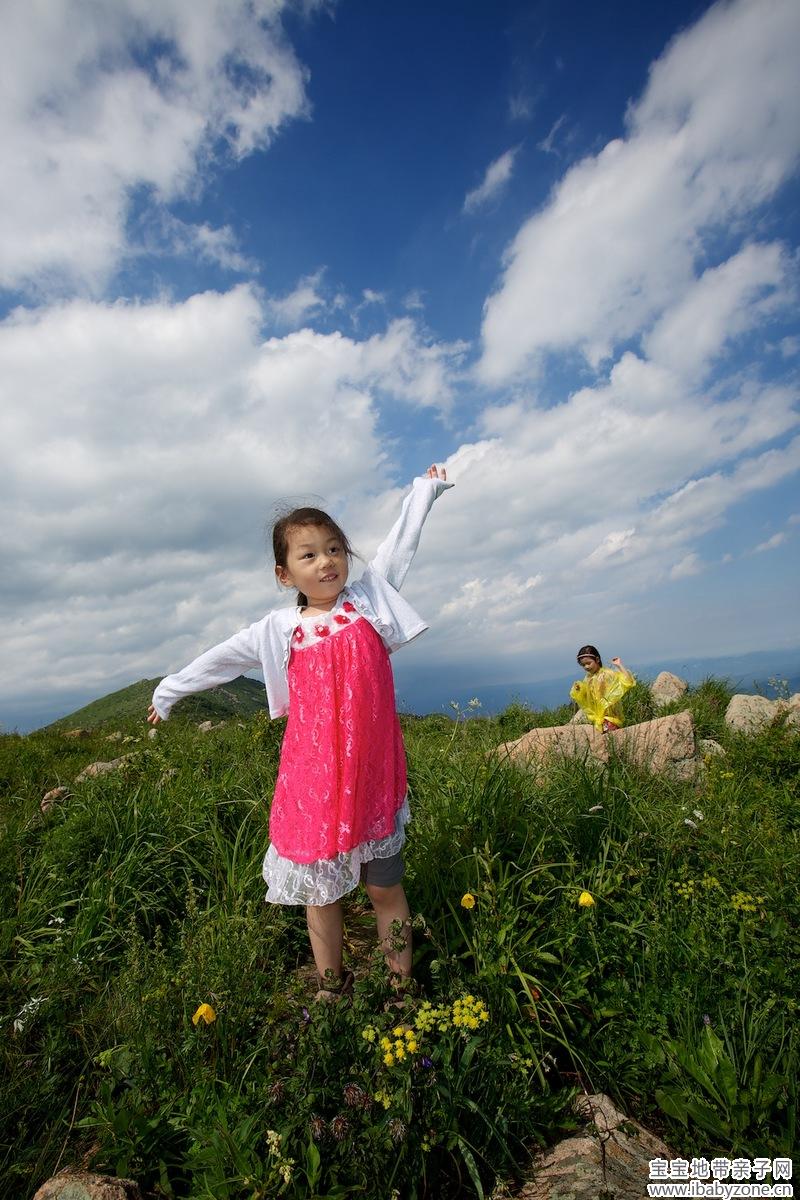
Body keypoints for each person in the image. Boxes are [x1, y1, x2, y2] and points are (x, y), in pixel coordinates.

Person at [147, 465, 452, 1002]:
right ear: (284, 574)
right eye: (308, 554)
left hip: (373, 779)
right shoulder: (278, 630)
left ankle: (401, 987)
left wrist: (423, 492)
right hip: (315, 785)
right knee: (320, 893)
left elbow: (400, 546)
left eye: (334, 549)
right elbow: (218, 660)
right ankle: (331, 986)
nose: (326, 561)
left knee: (385, 887)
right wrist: (169, 691)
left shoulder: (369, 601)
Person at [569, 645, 635, 733]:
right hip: (598, 719)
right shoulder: (588, 678)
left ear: (597, 660)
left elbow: (628, 682)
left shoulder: (607, 674)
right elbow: (587, 696)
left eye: (588, 663)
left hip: (610, 717)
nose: (586, 667)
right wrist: (579, 690)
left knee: (611, 739)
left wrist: (619, 665)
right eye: (583, 665)